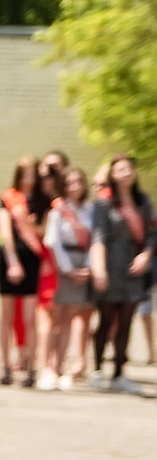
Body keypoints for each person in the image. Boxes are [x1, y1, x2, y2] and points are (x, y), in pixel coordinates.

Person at [90, 155, 151, 391]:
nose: (126, 173)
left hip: (133, 268)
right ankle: (97, 370)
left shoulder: (143, 201)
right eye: (120, 170)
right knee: (105, 320)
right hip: (110, 264)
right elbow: (98, 236)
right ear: (112, 175)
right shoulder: (104, 203)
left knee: (126, 322)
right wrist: (99, 269)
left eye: (129, 169)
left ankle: (119, 373)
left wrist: (145, 255)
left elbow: (151, 234)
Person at [44, 164, 97, 389]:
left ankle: (60, 367)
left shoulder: (89, 210)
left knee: (69, 319)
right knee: (55, 319)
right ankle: (48, 367)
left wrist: (88, 267)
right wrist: (68, 269)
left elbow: (95, 239)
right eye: (69, 183)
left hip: (83, 265)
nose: (75, 187)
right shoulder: (58, 211)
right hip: (62, 267)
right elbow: (52, 242)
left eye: (78, 182)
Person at [0, 158, 47, 386]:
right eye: (24, 173)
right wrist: (12, 261)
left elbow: (43, 231)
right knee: (6, 316)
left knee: (29, 318)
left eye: (32, 173)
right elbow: (5, 231)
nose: (29, 178)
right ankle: (5, 366)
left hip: (33, 259)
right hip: (11, 258)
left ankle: (30, 366)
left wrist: (29, 224)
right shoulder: (8, 197)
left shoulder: (42, 201)